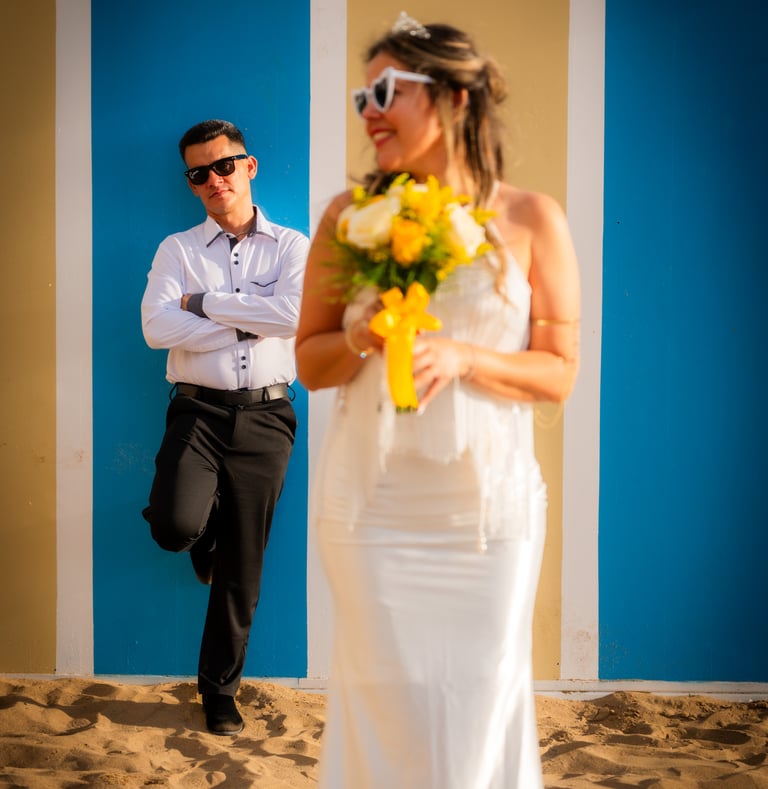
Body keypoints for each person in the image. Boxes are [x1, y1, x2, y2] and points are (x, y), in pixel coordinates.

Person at [295, 13, 580, 788]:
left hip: (486, 520)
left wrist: (463, 355)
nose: (369, 112)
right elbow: (310, 361)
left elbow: (557, 370)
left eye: (386, 89)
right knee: (383, 709)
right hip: (373, 512)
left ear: (455, 96)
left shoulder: (531, 220)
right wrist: (361, 335)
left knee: (482, 704)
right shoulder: (347, 218)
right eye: (361, 96)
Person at [141, 119, 308, 736]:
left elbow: (294, 313)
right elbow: (157, 329)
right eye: (199, 173)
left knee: (244, 567)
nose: (214, 180)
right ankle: (201, 534)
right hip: (198, 410)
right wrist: (250, 320)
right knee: (174, 527)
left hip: (268, 415)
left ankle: (218, 691)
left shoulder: (292, 246)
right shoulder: (177, 251)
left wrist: (203, 304)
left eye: (224, 165)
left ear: (249, 166)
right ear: (190, 184)